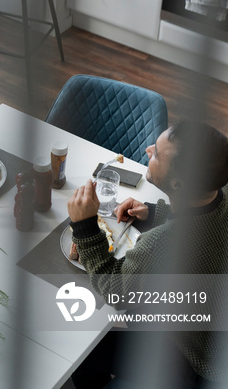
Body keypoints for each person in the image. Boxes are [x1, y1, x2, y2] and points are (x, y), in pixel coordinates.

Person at [67, 121, 228, 389]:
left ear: (178, 182)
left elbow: (114, 290)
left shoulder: (159, 245)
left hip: (191, 355)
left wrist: (84, 229)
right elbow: (209, 222)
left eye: (156, 154)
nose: (147, 149)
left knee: (83, 344)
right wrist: (155, 213)